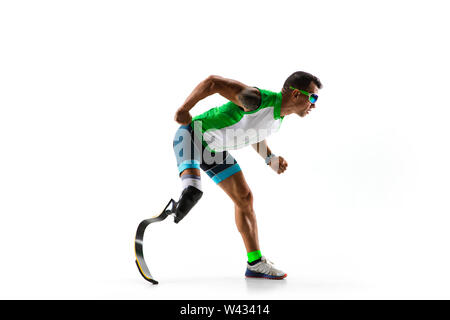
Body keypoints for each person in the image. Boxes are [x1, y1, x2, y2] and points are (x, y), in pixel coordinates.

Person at [172, 71, 322, 279]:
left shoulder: (278, 119)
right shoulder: (256, 99)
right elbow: (212, 82)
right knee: (192, 192)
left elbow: (254, 133)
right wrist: (183, 109)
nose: (314, 104)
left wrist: (270, 159)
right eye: (313, 97)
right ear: (296, 94)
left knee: (245, 199)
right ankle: (175, 205)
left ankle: (255, 263)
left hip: (213, 150)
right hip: (192, 134)